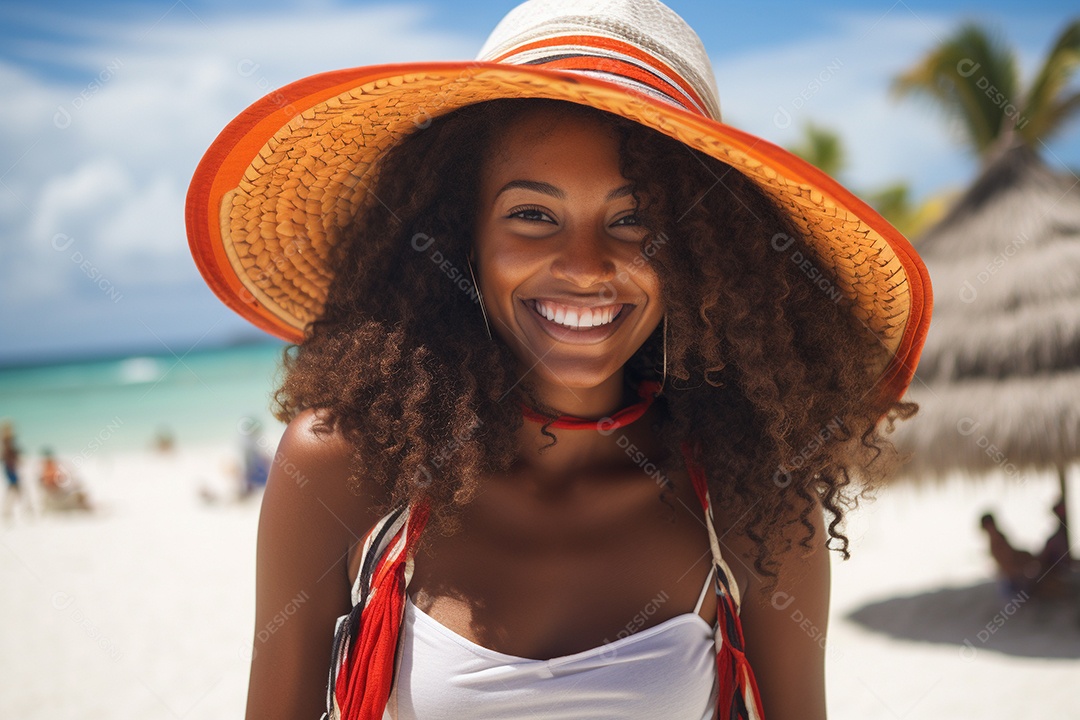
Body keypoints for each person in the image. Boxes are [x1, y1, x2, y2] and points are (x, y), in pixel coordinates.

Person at [186, 1, 932, 718]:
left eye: (634, 219)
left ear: (700, 253)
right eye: (533, 215)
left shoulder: (753, 504)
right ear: (460, 237)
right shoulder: (345, 468)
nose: (584, 266)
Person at [2, 421, 33, 522]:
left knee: (16, 492)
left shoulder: (9, 447)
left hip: (14, 472)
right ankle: (9, 514)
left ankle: (10, 514)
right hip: (12, 473)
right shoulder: (7, 447)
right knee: (16, 492)